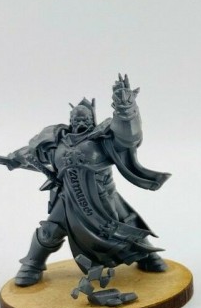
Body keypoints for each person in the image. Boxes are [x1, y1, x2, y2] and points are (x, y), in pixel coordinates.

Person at [11, 74, 169, 286]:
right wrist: (15, 158)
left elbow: (128, 137)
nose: (80, 122)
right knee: (50, 231)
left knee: (126, 223)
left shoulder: (103, 139)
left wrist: (125, 109)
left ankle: (147, 255)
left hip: (104, 196)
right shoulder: (56, 142)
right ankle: (32, 264)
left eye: (85, 118)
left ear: (92, 119)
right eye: (76, 118)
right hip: (69, 198)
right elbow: (33, 155)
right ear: (70, 120)